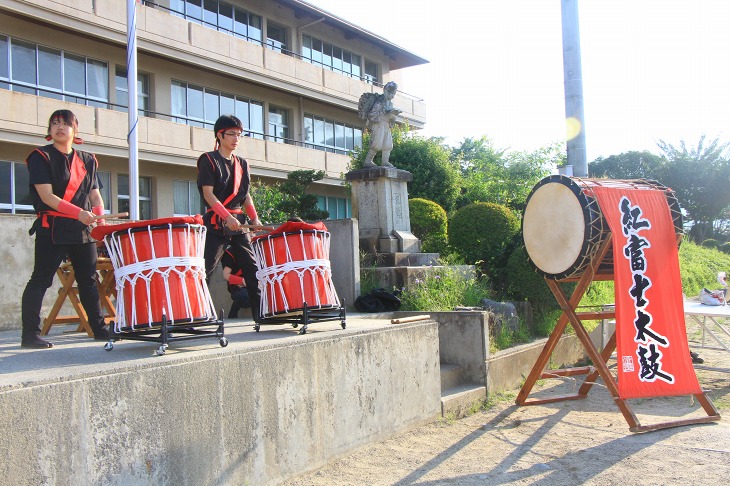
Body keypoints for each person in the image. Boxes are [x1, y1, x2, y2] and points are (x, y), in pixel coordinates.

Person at [21, 109, 110, 348]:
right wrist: (79, 213)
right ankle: (29, 334)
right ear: (49, 131)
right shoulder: (41, 156)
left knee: (89, 280)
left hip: (83, 230)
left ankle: (99, 329)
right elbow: (47, 197)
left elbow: (96, 197)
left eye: (65, 123)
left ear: (75, 129)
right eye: (54, 123)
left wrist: (100, 223)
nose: (60, 127)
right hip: (53, 228)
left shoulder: (88, 159)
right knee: (40, 279)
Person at [197, 114, 261, 321]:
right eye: (231, 134)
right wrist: (226, 217)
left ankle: (260, 314)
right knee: (206, 268)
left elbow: (246, 196)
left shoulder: (242, 164)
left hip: (238, 224)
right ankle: (197, 313)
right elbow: (208, 194)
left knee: (252, 267)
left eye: (239, 135)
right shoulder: (208, 160)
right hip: (217, 222)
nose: (236, 138)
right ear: (220, 135)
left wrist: (254, 219)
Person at [362, 81, 402, 168]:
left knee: (388, 143)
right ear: (386, 91)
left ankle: (385, 161)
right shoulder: (380, 101)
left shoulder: (390, 103)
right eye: (391, 93)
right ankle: (368, 160)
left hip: (386, 125)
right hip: (379, 124)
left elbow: (390, 117)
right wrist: (386, 113)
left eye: (394, 94)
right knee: (377, 143)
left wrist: (393, 116)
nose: (392, 96)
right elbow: (372, 115)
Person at [221, 244, 251, 319]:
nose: (251, 235)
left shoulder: (256, 249)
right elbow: (226, 275)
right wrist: (242, 280)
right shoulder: (231, 252)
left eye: (253, 232)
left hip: (255, 283)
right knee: (245, 296)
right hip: (238, 286)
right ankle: (232, 315)